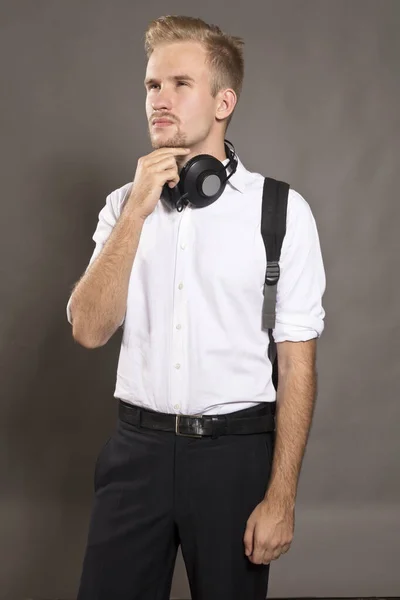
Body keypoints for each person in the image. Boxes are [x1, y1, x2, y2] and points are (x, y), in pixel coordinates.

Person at [66, 14, 326, 600]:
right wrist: (135, 212)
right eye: (153, 86)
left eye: (180, 84)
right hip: (136, 455)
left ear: (223, 101)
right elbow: (87, 330)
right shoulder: (121, 207)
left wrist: (280, 497)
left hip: (234, 460)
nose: (160, 99)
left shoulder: (281, 212)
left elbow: (296, 363)